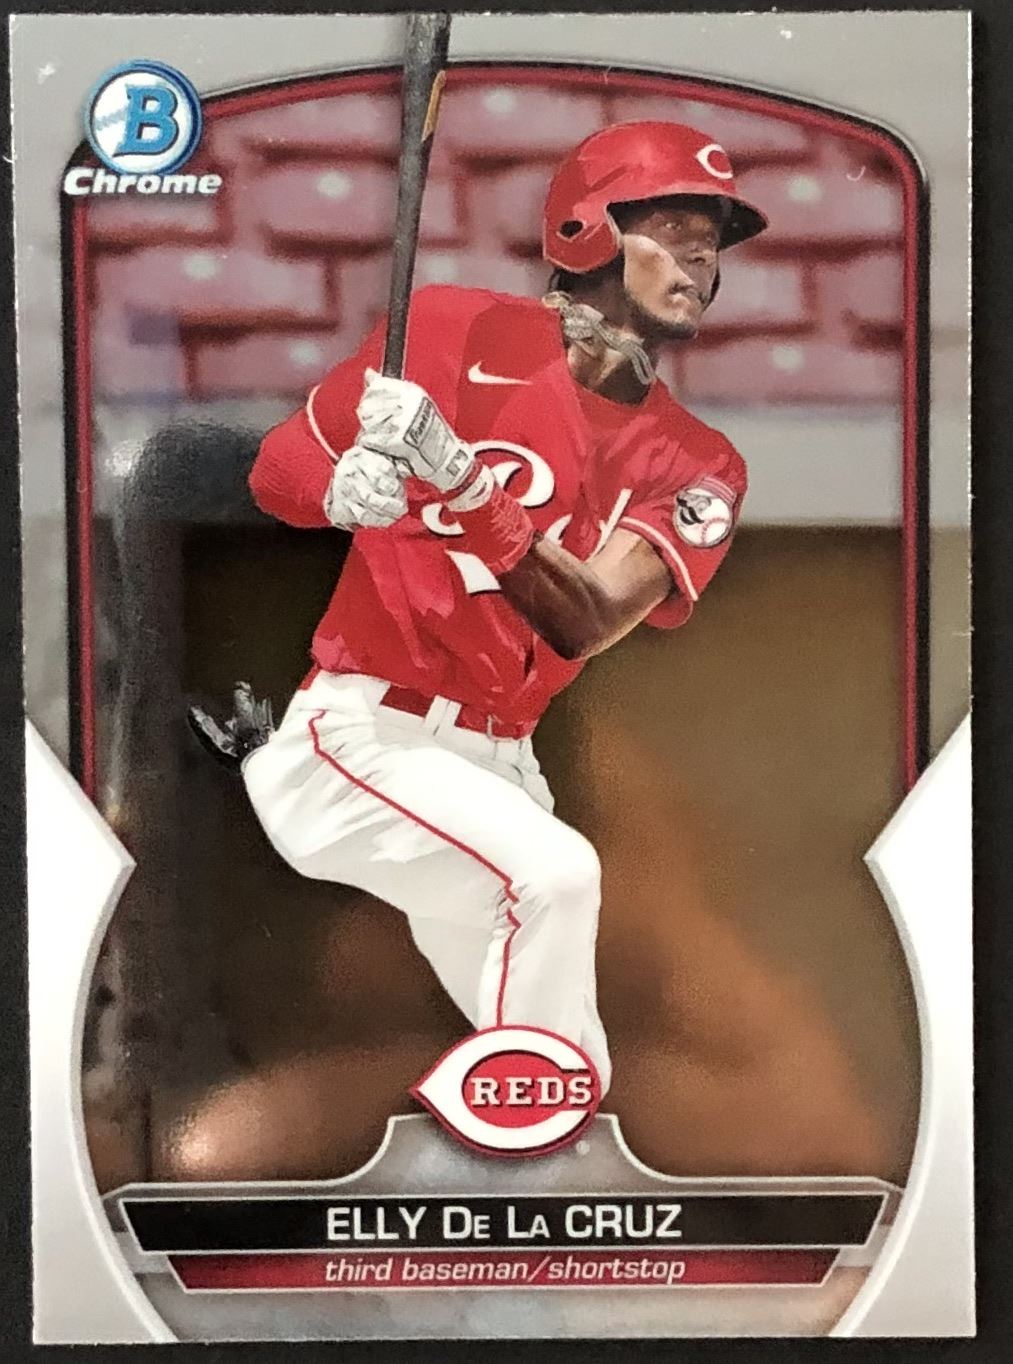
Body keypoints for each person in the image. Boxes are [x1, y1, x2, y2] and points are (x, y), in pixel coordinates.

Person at [239, 121, 768, 1097]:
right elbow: (278, 468)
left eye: (712, 242)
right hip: (360, 735)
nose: (702, 258)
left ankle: (543, 1154)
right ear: (586, 229)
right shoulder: (453, 329)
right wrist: (339, 485)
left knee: (572, 1066)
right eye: (673, 229)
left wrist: (461, 481)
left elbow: (585, 617)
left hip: (500, 766)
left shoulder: (697, 461)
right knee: (553, 878)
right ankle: (521, 1145)